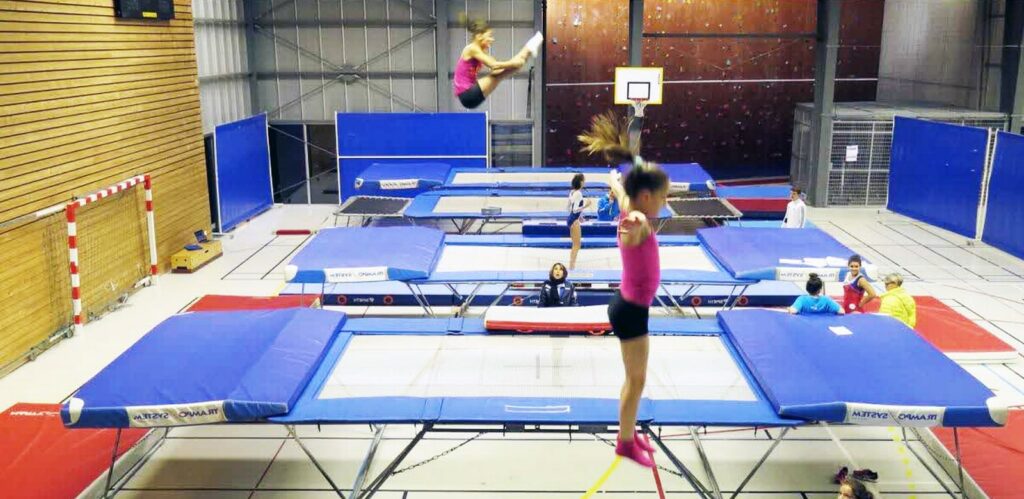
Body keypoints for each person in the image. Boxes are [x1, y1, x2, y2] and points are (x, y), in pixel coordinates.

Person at [579, 111, 670, 468]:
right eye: (662, 198)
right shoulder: (638, 220)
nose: (664, 203)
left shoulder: (629, 205)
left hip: (627, 304)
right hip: (631, 311)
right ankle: (626, 443)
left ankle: (627, 437)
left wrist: (618, 182)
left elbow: (620, 193)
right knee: (636, 381)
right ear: (646, 197)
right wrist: (634, 219)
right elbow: (634, 219)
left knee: (634, 379)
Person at [453, 19, 543, 109]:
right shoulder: (472, 48)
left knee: (506, 71)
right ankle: (529, 47)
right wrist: (513, 63)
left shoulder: (480, 51)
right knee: (504, 72)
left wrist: (514, 66)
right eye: (489, 36)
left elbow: (496, 69)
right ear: (479, 36)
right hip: (467, 94)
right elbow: (494, 65)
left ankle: (529, 49)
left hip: (469, 97)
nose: (492, 39)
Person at [567, 173, 591, 270]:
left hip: (571, 219)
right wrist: (586, 205)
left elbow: (569, 208)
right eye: (584, 181)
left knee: (575, 244)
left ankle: (571, 265)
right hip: (574, 220)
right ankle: (571, 266)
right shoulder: (579, 193)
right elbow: (575, 209)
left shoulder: (572, 192)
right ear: (581, 182)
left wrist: (579, 216)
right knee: (577, 245)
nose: (584, 182)